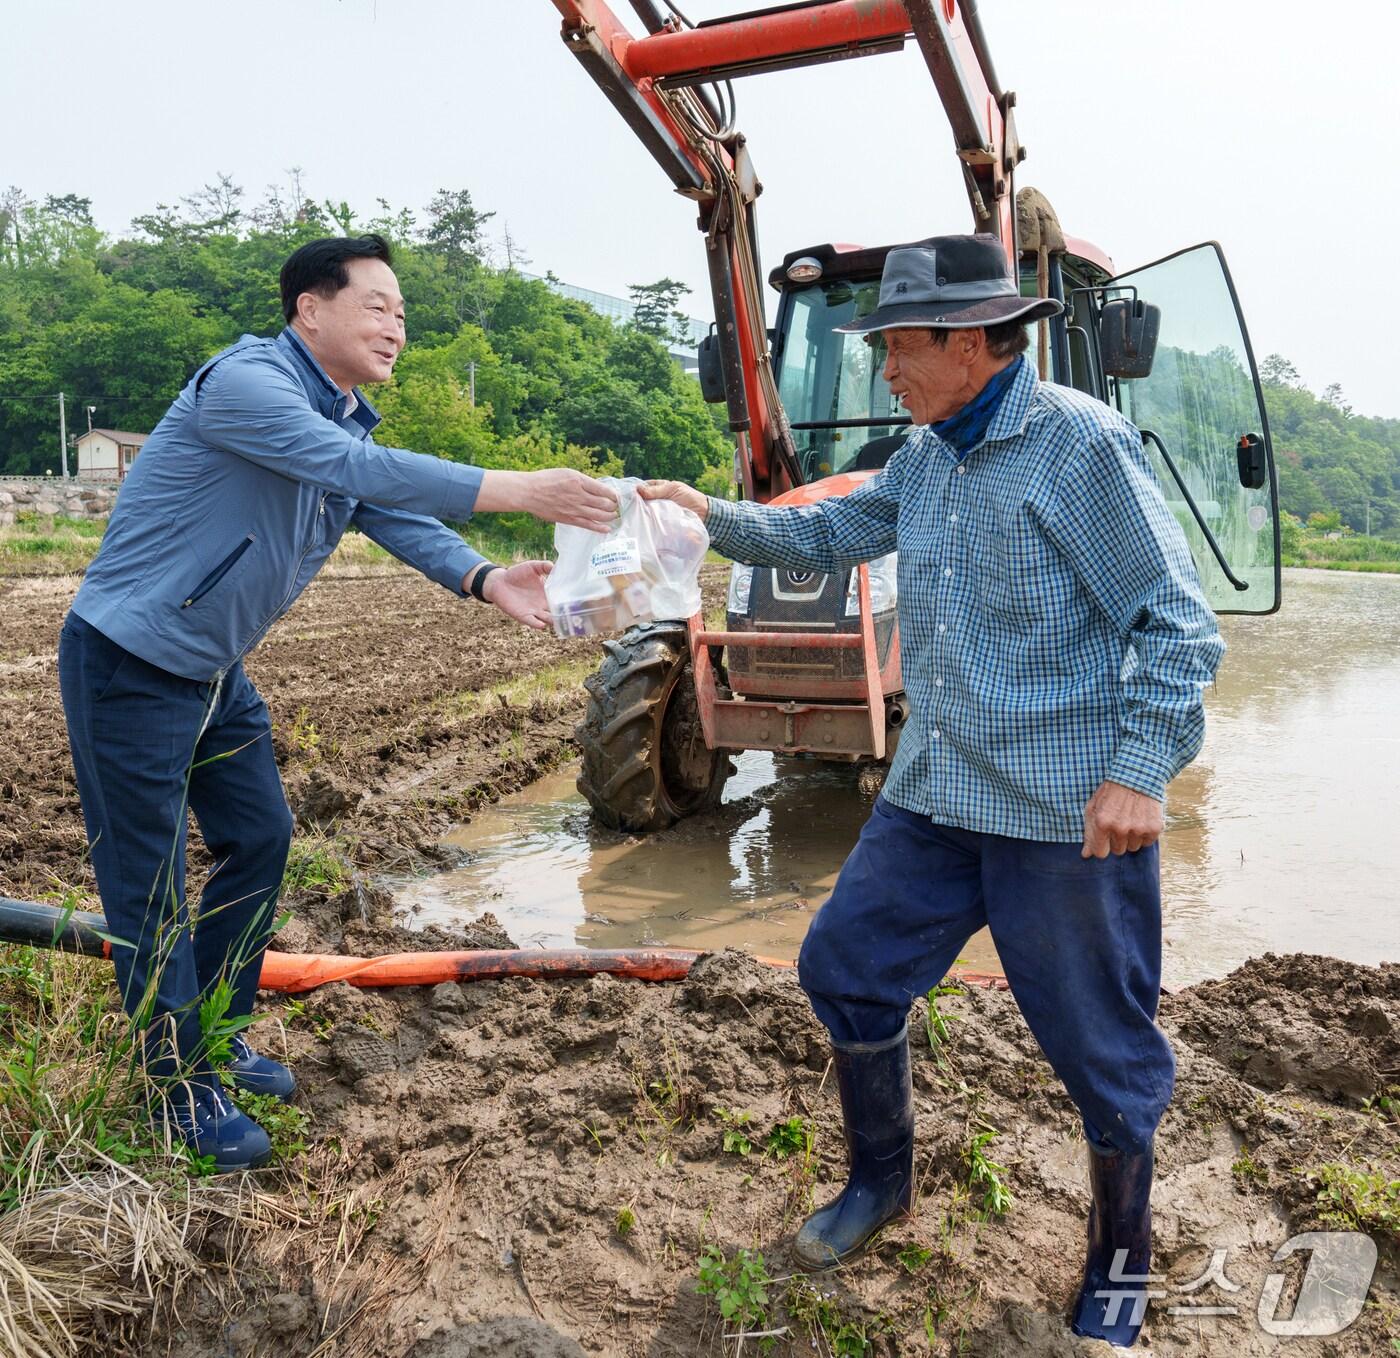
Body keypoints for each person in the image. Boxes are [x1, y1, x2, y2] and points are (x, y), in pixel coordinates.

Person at [641, 233, 1224, 1350]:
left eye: (899, 346)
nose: (887, 368)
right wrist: (702, 512)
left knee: (1097, 1042)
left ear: (970, 342)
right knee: (843, 966)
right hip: (937, 787)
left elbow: (1176, 623)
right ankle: (879, 1180)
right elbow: (827, 530)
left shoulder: (1078, 446)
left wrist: (1138, 771)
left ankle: (1119, 1258)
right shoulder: (924, 454)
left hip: (1061, 808)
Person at [59, 233, 617, 1173]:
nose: (397, 324)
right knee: (145, 887)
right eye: (378, 305)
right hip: (131, 664)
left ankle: (220, 1027)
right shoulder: (248, 387)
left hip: (213, 671)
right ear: (309, 311)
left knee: (263, 839)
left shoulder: (343, 416)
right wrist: (520, 487)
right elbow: (355, 472)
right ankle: (175, 1087)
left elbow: (384, 507)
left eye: (403, 311)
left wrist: (484, 577)